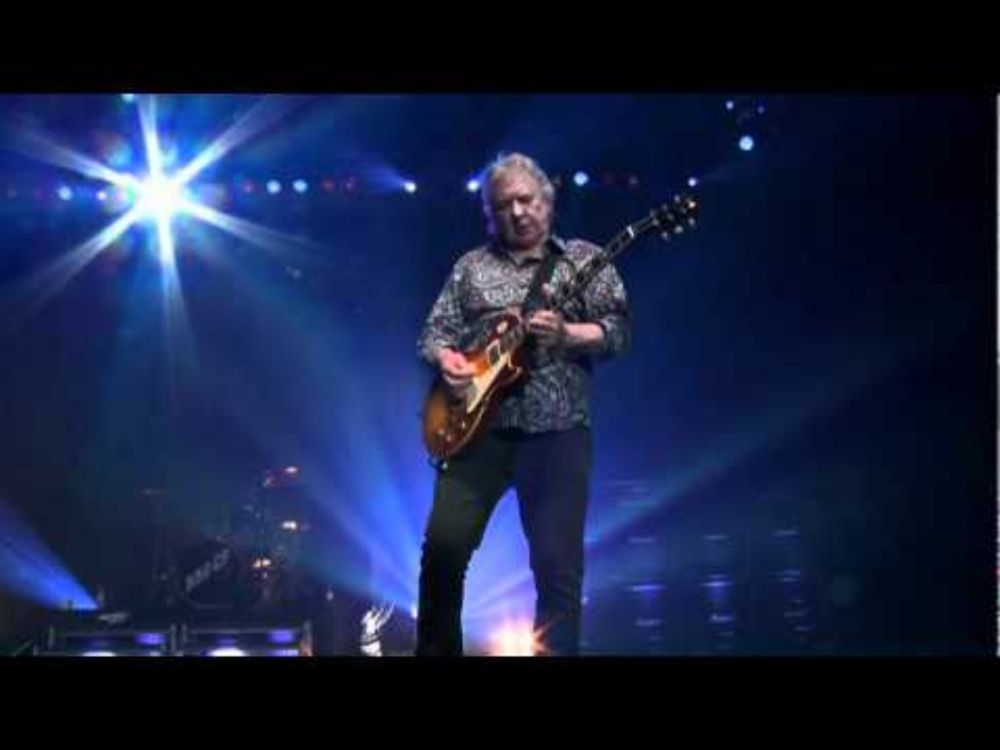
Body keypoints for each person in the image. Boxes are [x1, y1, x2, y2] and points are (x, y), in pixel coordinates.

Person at [415, 152, 631, 655]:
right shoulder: (470, 268)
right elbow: (433, 334)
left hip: (557, 432)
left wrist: (569, 334)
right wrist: (447, 359)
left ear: (547, 201)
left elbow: (619, 331)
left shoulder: (583, 260)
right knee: (442, 555)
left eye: (525, 200)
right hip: (475, 436)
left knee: (558, 570)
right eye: (503, 205)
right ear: (489, 215)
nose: (516, 212)